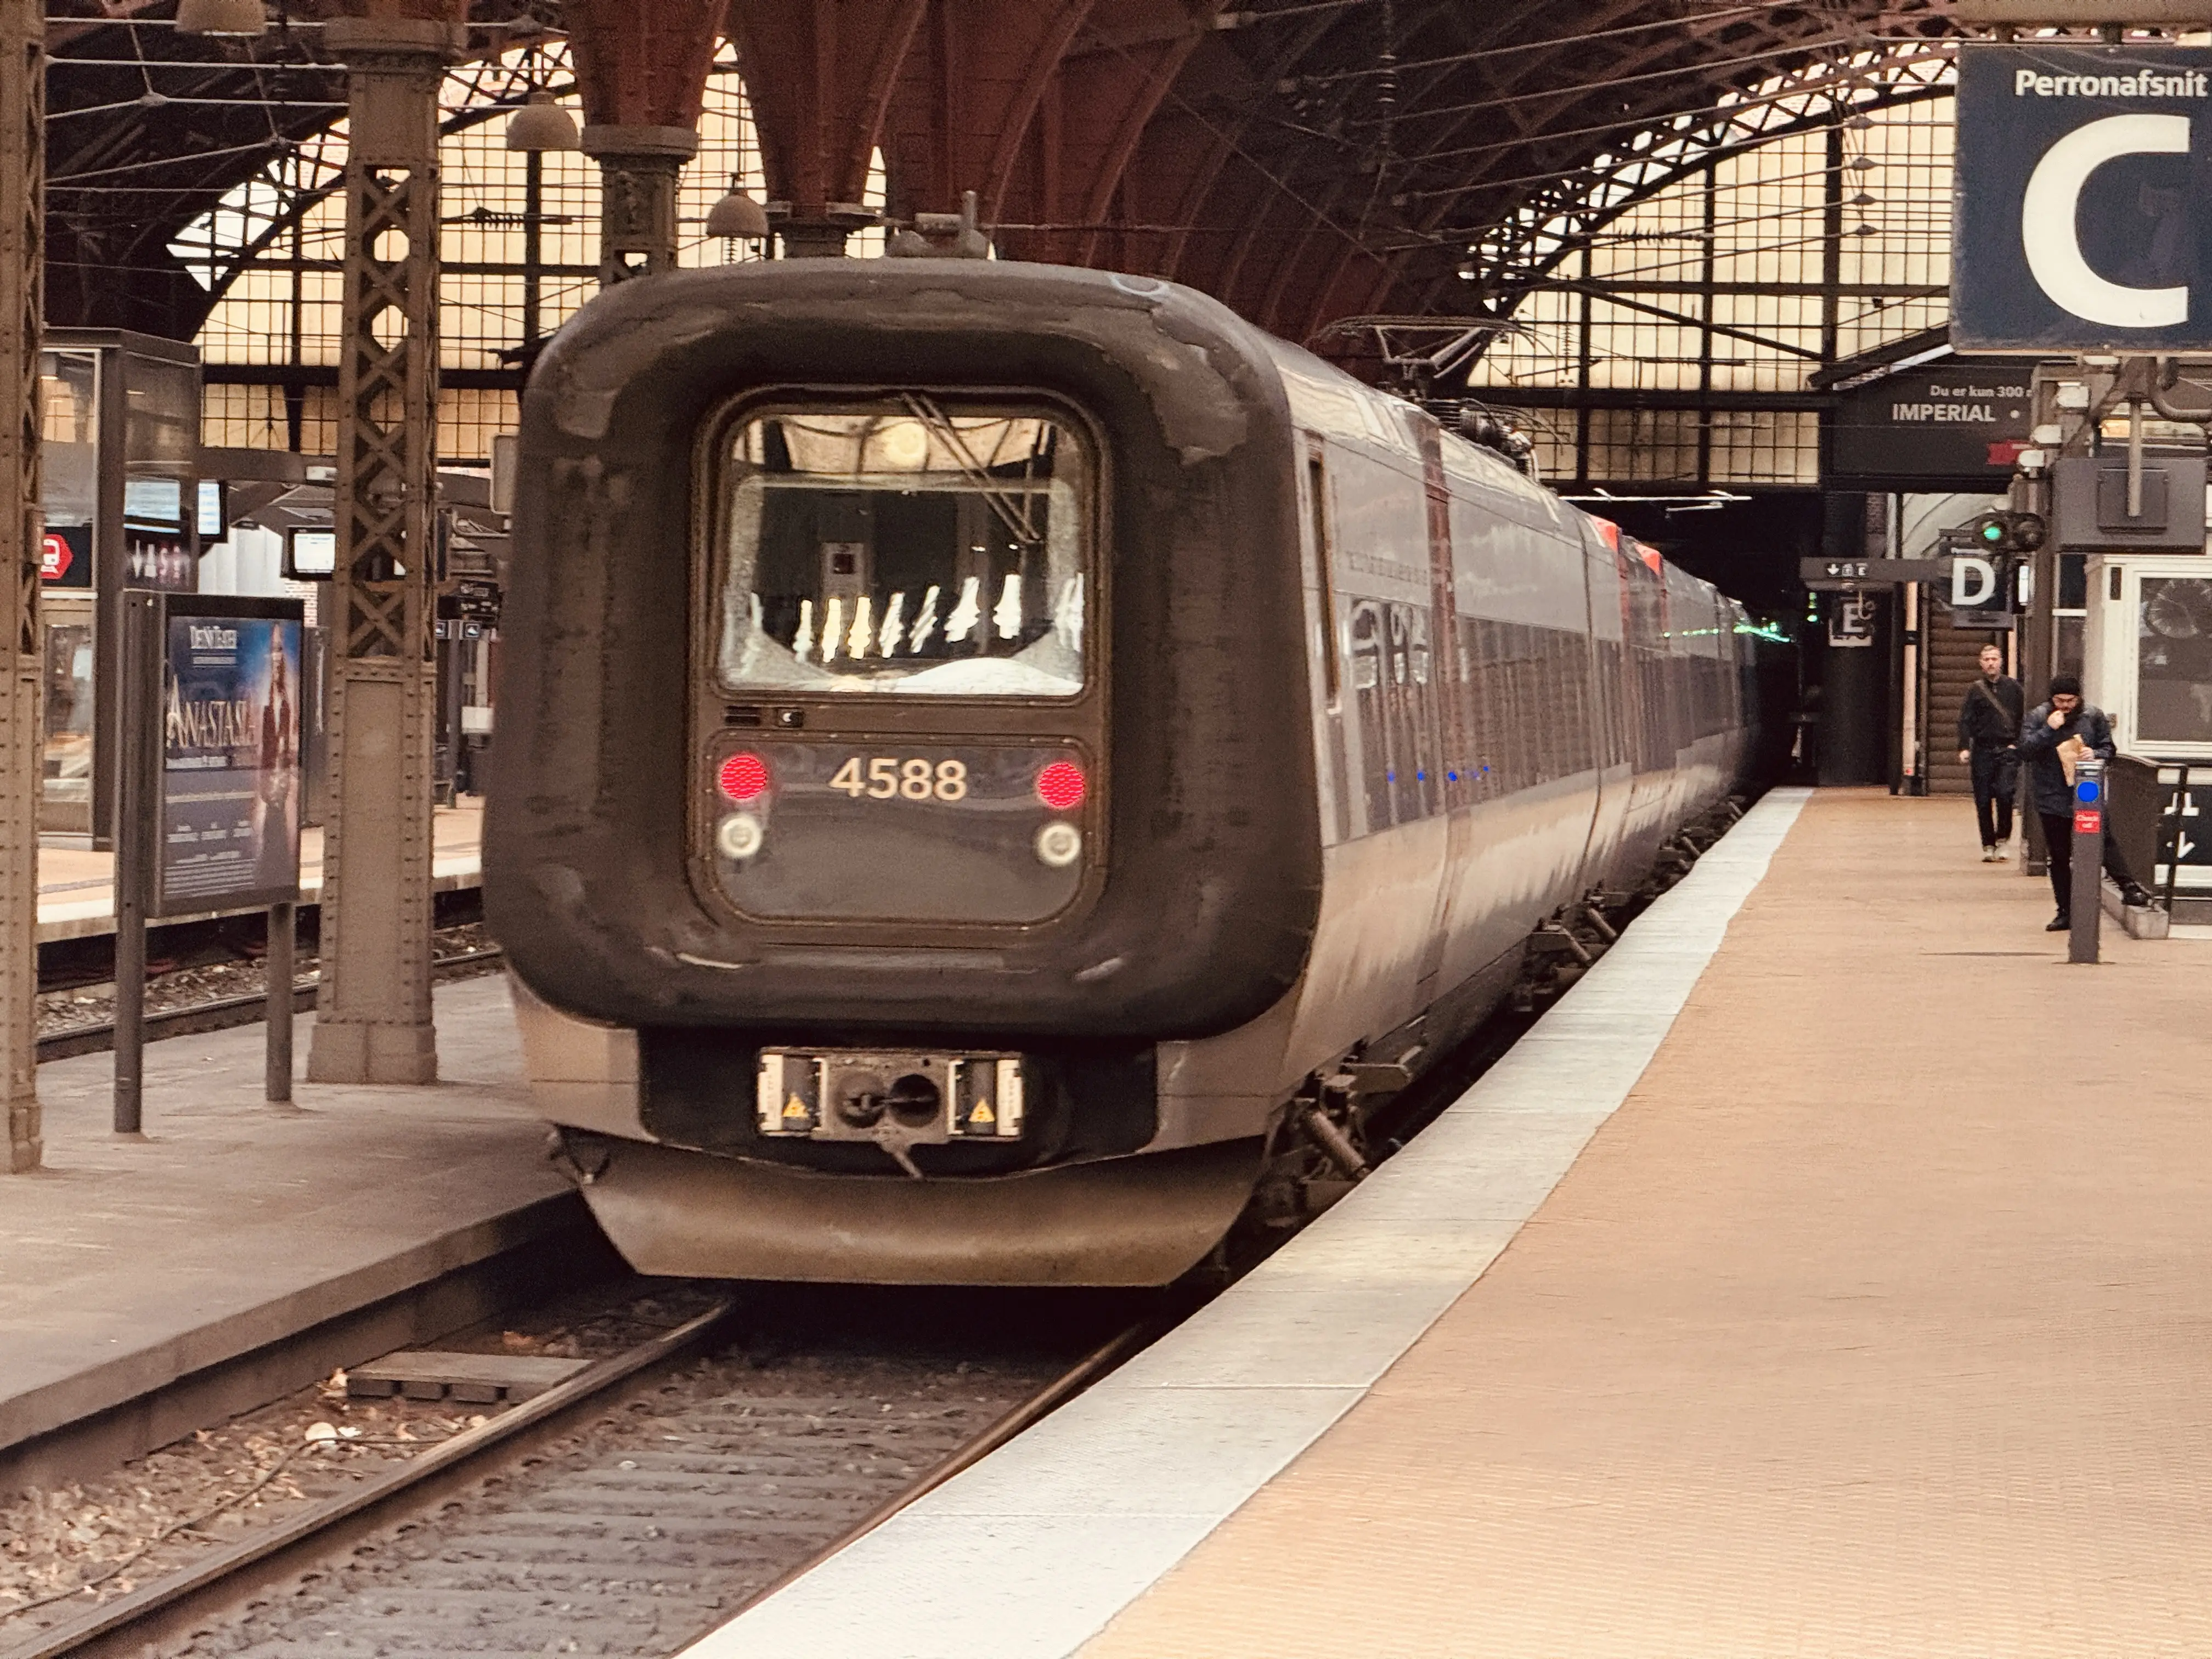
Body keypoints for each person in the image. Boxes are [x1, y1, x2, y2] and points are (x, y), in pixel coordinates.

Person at [2017, 674, 2153, 930]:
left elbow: (2109, 749)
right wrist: (2049, 729)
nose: (2065, 706)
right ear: (2052, 699)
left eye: (2071, 700)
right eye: (2060, 700)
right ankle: (2065, 911)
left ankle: (2129, 886)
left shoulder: (2093, 715)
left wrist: (2097, 753)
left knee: (2104, 841)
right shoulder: (2038, 717)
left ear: (2079, 698)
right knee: (2059, 856)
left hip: (2085, 795)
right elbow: (2025, 751)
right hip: (2051, 795)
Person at [1954, 642, 2022, 860]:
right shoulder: (1975, 690)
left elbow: (2023, 718)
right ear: (1981, 664)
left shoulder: (2014, 688)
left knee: (2005, 794)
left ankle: (2002, 839)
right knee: (1983, 799)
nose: (1991, 663)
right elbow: (1966, 720)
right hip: (1982, 750)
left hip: (2007, 749)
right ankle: (1988, 844)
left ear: (2001, 662)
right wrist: (1964, 746)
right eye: (1987, 659)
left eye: (1995, 659)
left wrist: (2017, 744)